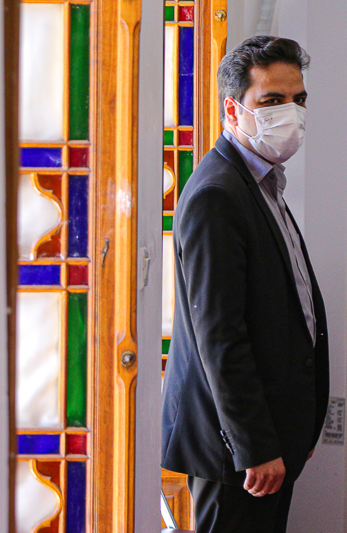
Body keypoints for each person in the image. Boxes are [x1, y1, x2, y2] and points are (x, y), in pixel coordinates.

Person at [161, 36, 330, 533]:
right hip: (238, 455)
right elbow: (219, 337)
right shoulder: (217, 194)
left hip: (273, 437)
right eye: (272, 100)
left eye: (298, 99)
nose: (290, 113)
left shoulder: (262, 182)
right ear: (234, 110)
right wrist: (254, 445)